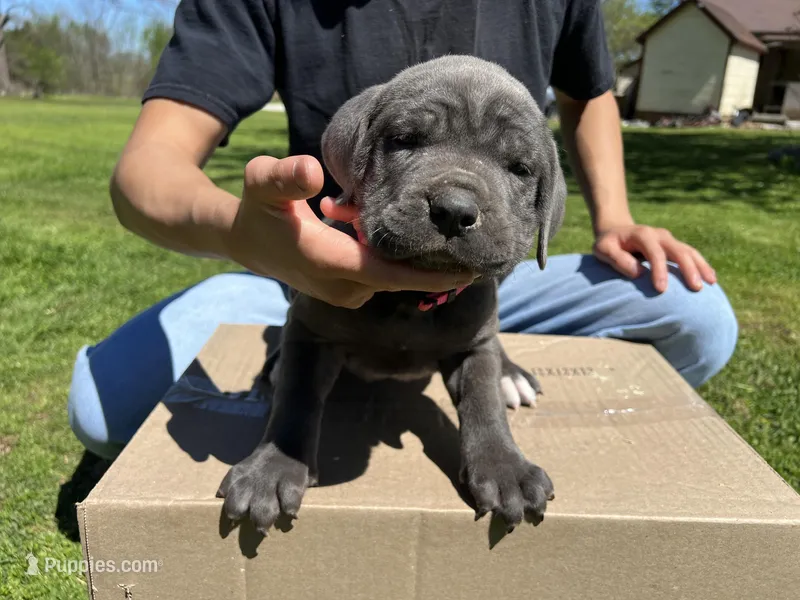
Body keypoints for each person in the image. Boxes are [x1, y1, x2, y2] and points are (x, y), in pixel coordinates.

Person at [67, 0, 738, 460]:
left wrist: (613, 218)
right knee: (102, 410)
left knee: (693, 313)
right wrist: (244, 236)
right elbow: (143, 174)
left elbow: (587, 87)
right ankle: (331, 358)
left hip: (481, 281)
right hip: (310, 270)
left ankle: (478, 349)